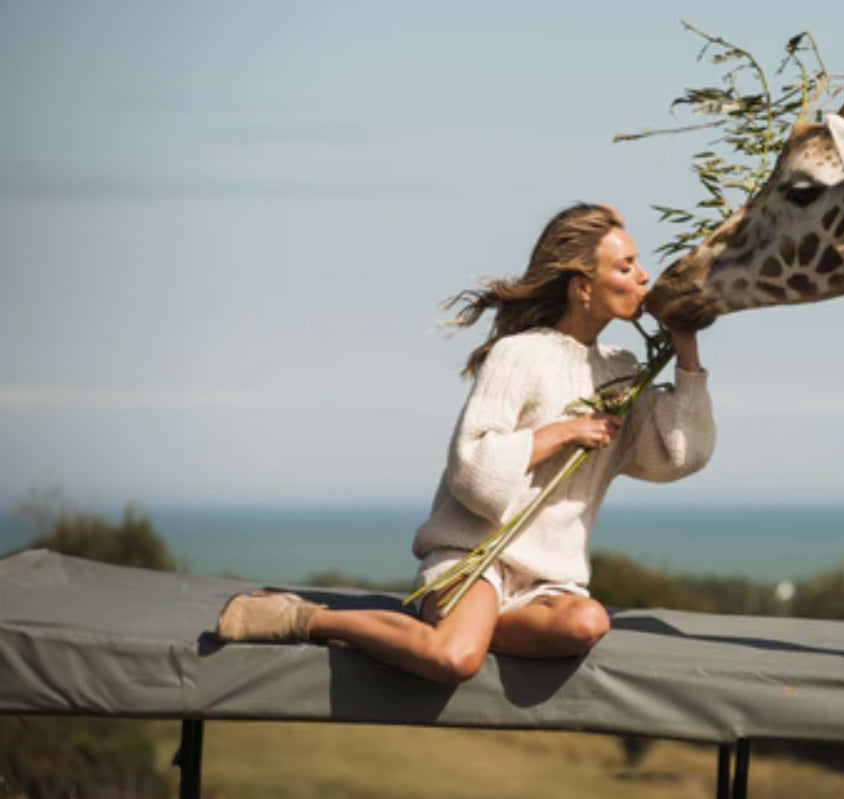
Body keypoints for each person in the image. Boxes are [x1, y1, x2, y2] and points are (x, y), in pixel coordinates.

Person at [214, 203, 715, 683]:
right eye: (626, 267)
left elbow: (677, 455)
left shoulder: (623, 369)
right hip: (476, 557)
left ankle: (465, 625)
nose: (644, 276)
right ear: (583, 287)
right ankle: (307, 619)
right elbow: (473, 471)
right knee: (454, 659)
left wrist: (685, 349)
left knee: (588, 623)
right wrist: (562, 433)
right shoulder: (518, 355)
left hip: (547, 584)